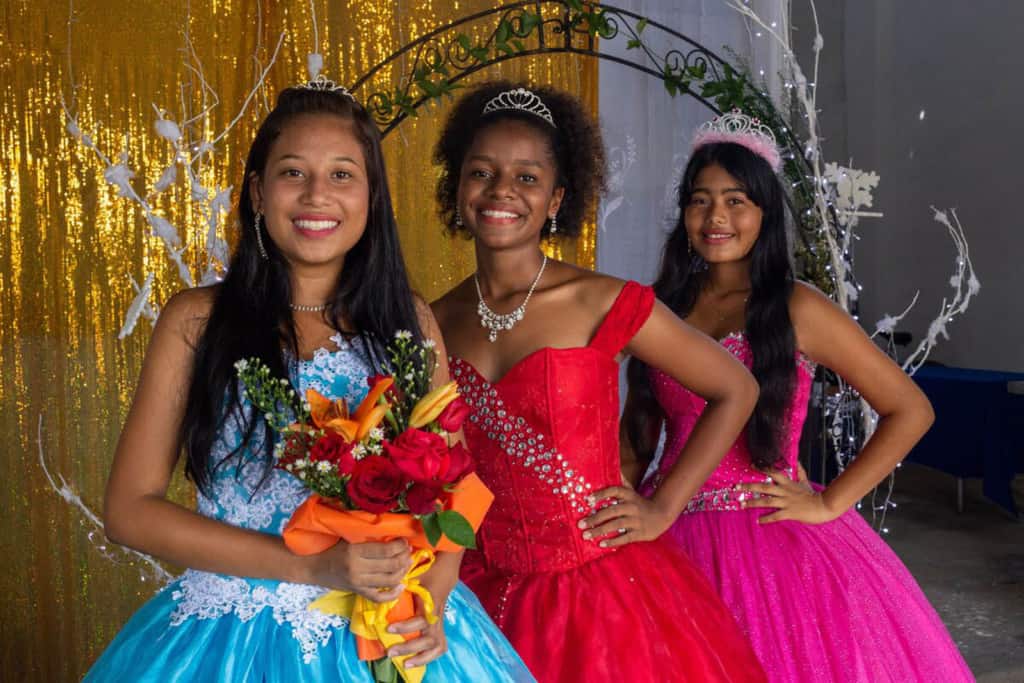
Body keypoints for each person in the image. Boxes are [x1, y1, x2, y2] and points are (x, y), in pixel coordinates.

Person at [85, 80, 533, 682]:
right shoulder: (195, 321)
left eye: (343, 174)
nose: (317, 195)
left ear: (372, 196)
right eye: (293, 173)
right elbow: (129, 511)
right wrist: (313, 568)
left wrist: (436, 602)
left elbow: (451, 491)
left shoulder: (408, 319)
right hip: (230, 637)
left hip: (385, 626)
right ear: (256, 192)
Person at [430, 81, 768, 682]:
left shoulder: (600, 299)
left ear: (558, 198)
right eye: (482, 172)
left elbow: (735, 389)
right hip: (477, 590)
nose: (502, 190)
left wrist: (664, 507)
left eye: (527, 178)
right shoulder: (433, 320)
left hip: (601, 591)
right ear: (458, 187)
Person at [623, 110, 974, 682]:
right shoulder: (660, 306)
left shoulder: (797, 307)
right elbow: (637, 435)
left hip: (773, 537)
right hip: (671, 530)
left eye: (737, 201)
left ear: (765, 213)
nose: (717, 217)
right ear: (683, 211)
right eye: (701, 200)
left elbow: (910, 408)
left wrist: (831, 502)